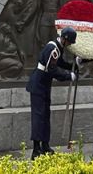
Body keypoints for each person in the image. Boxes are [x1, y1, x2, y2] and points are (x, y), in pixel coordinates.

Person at [25, 26, 80, 159]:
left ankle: (45, 145)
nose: (69, 45)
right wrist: (69, 76)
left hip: (44, 84)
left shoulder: (57, 47)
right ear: (65, 39)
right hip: (38, 85)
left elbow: (60, 63)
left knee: (45, 115)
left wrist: (74, 64)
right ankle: (36, 149)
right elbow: (52, 70)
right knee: (39, 116)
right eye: (70, 43)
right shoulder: (53, 49)